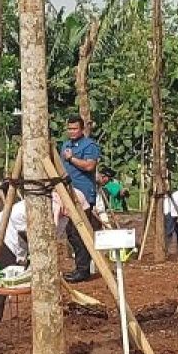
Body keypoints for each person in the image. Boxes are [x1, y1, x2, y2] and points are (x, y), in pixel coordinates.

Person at [60, 116, 100, 280]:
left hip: (83, 194)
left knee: (80, 232)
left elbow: (90, 165)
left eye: (75, 129)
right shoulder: (65, 145)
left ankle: (83, 270)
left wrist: (72, 159)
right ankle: (80, 267)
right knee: (71, 232)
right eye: (69, 129)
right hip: (68, 193)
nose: (72, 132)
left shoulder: (89, 145)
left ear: (82, 129)